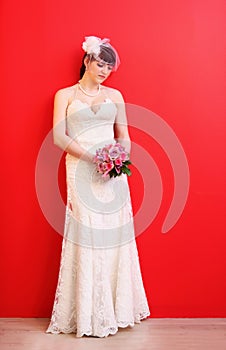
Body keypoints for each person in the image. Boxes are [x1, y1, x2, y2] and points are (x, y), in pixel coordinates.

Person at [46, 36, 150, 338]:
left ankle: (116, 310)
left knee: (114, 234)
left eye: (109, 66)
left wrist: (118, 161)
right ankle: (87, 313)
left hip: (112, 174)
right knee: (86, 231)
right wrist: (94, 158)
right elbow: (58, 137)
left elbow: (124, 136)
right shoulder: (64, 95)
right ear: (87, 61)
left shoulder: (115, 95)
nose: (105, 70)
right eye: (100, 63)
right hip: (80, 167)